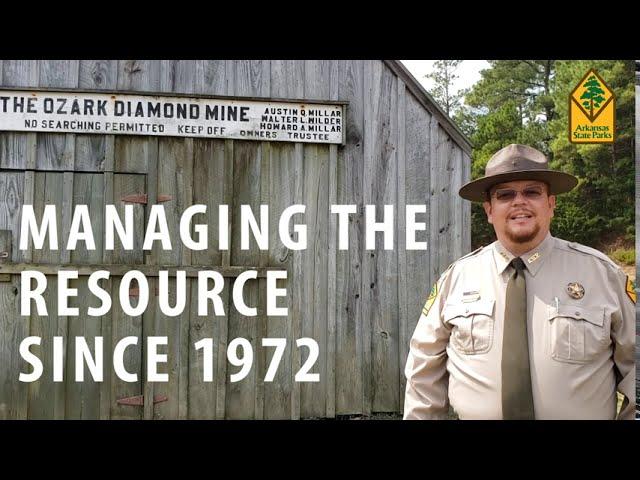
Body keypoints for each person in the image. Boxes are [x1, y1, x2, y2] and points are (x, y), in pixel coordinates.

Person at [403, 144, 636, 420]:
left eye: (532, 192)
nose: (519, 202)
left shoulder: (603, 275)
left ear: (551, 204)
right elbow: (423, 375)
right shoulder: (455, 279)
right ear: (489, 210)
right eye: (505, 195)